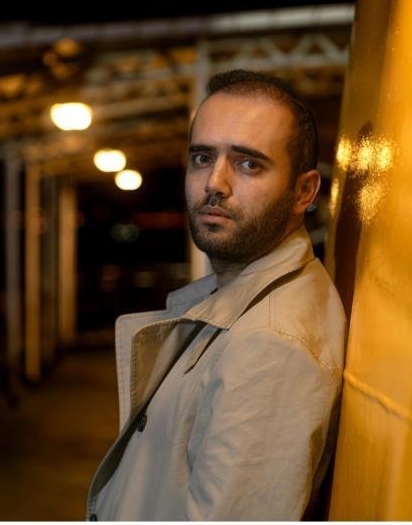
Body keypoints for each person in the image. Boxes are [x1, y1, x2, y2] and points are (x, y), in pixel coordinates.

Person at [86, 70, 346, 520]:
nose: (215, 184)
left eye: (249, 164)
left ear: (304, 191)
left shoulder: (271, 343)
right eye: (203, 157)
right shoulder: (243, 302)